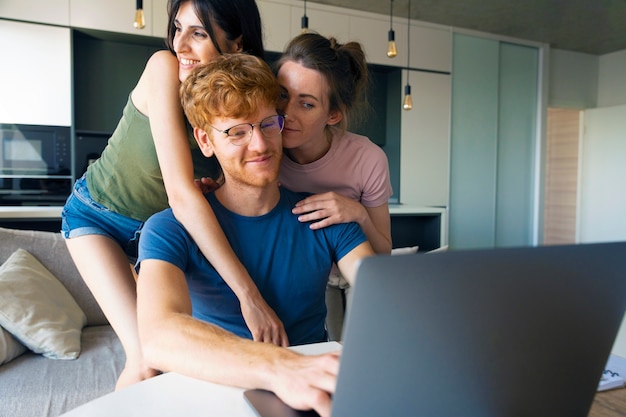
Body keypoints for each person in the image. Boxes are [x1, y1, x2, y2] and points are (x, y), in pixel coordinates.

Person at [61, 0, 286, 390]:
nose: (180, 44)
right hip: (97, 218)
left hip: (159, 234)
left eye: (198, 33)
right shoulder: (163, 67)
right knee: (147, 359)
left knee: (181, 361)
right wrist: (249, 296)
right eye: (178, 28)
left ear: (236, 44)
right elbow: (181, 196)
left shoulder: (240, 103)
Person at [136, 54, 374, 417]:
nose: (261, 145)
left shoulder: (326, 217)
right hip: (214, 397)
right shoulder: (170, 228)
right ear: (205, 140)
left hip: (313, 398)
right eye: (237, 131)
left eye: (267, 125)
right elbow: (158, 336)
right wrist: (280, 366)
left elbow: (385, 300)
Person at [274, 33, 393, 336]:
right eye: (281, 95)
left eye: (307, 104)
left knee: (364, 349)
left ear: (333, 115)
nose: (287, 114)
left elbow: (382, 255)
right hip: (308, 275)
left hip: (359, 268)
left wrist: (358, 212)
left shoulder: (368, 158)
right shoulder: (264, 153)